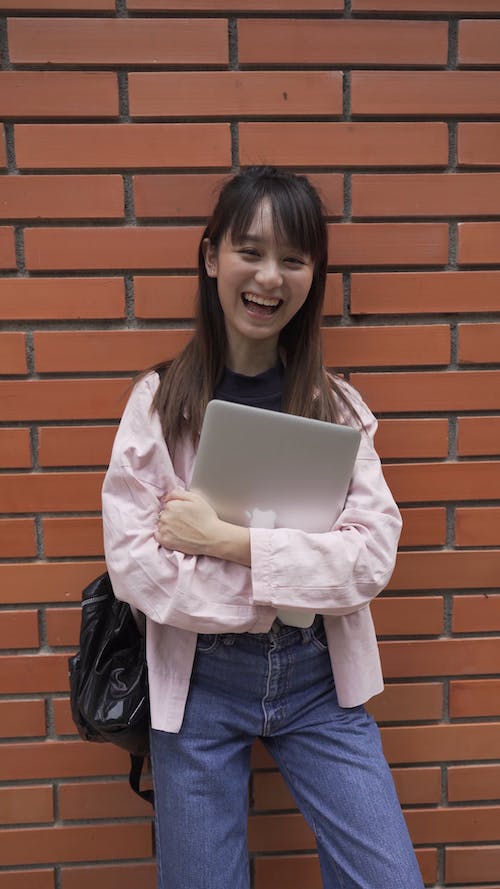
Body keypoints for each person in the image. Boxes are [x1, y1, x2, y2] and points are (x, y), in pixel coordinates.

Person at [102, 166, 424, 889]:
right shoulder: (158, 404)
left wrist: (225, 541)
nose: (269, 276)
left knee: (388, 878)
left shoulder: (335, 407)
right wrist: (292, 573)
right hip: (202, 680)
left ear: (314, 276)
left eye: (294, 258)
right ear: (211, 256)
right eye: (250, 250)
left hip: (318, 680)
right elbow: (137, 565)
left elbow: (369, 557)